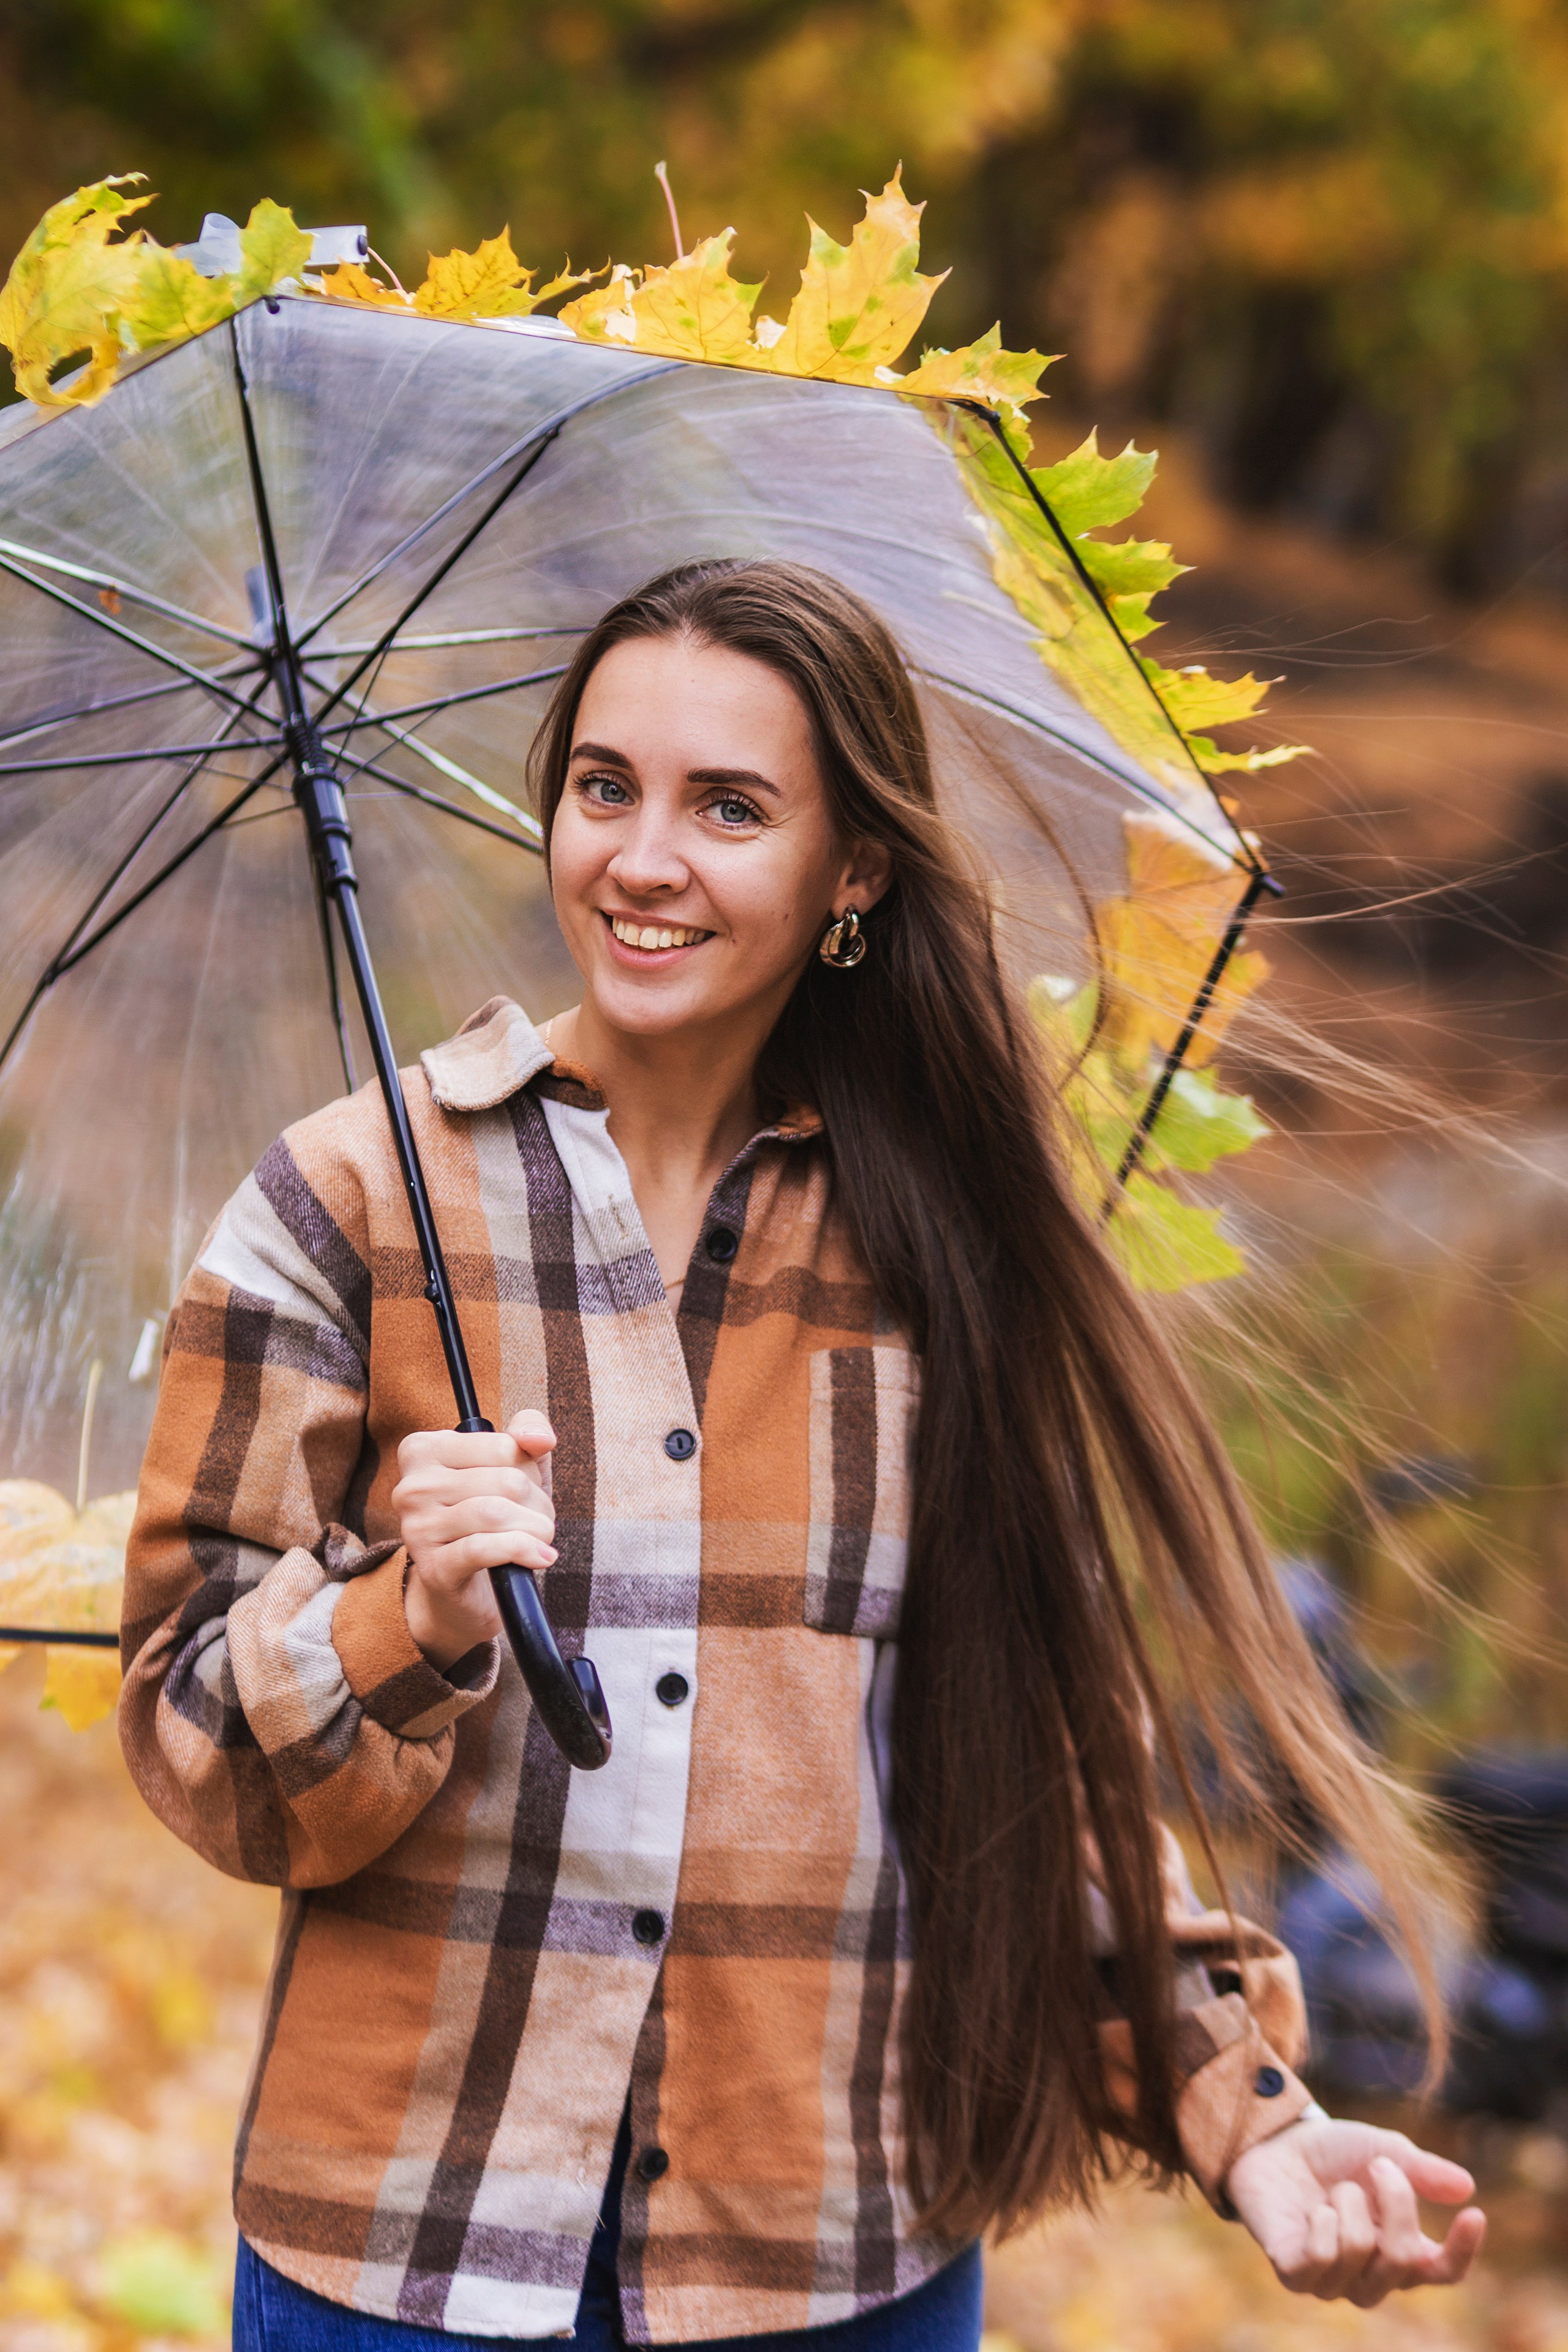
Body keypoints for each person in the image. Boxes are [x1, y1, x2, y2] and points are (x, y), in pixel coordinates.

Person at [119, 559, 1484, 2351]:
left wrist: (1259, 2129)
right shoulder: (349, 1205)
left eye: (730, 806)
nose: (642, 858)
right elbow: (188, 1737)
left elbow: (1036, 1771)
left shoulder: (948, 1253)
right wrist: (409, 1623)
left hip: (836, 2266)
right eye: (604, 787)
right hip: (407, 2259)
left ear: (854, 872)